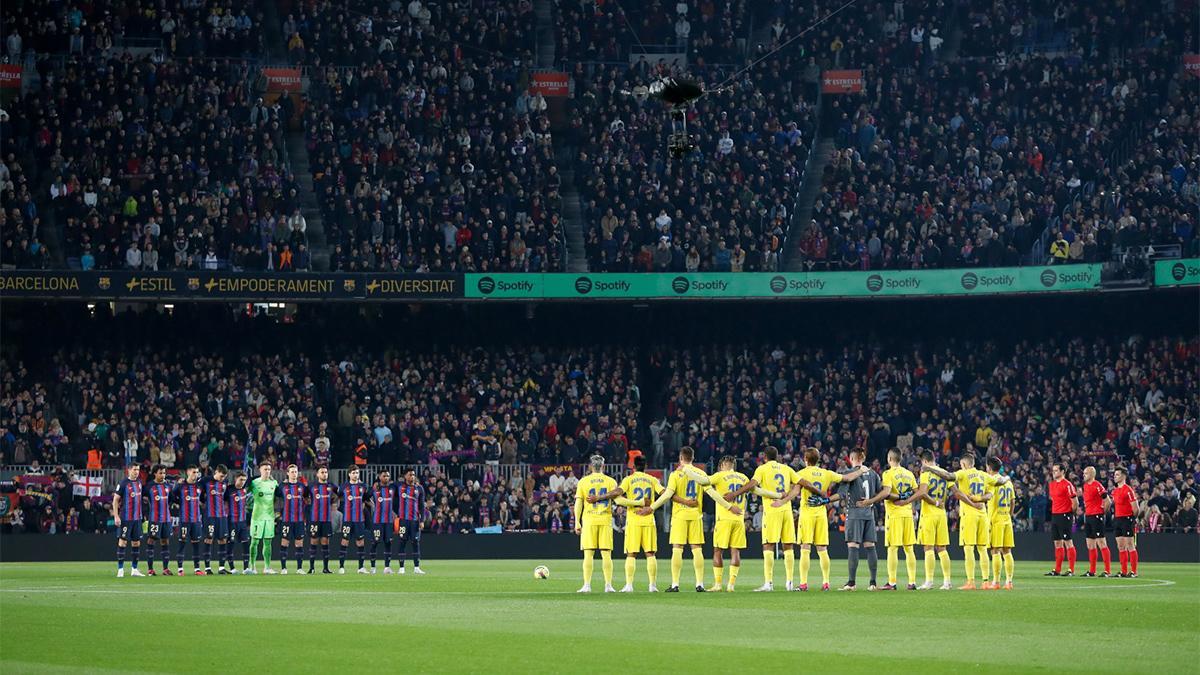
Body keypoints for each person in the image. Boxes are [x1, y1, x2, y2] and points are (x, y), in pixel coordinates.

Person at [783, 447, 865, 591]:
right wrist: (860, 471)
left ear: (806, 459)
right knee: (822, 549)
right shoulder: (826, 473)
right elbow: (847, 478)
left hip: (807, 513)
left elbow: (794, 490)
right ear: (818, 459)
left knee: (805, 548)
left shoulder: (801, 473)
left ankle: (803, 584)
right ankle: (826, 583)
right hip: (821, 514)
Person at [926, 454, 1007, 589]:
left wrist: (931, 469)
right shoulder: (983, 475)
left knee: (968, 548)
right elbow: (996, 487)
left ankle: (971, 582)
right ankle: (986, 581)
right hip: (983, 515)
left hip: (969, 515)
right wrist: (979, 498)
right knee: (982, 549)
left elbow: (948, 477)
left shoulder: (963, 473)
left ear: (963, 464)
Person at [725, 445, 790, 591]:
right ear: (777, 456)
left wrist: (735, 494)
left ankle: (769, 583)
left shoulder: (762, 469)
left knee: (768, 545)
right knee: (788, 546)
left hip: (772, 509)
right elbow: (800, 483)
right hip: (786, 509)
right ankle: (789, 582)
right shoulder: (786, 468)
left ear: (764, 457)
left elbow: (753, 485)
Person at [653, 447, 712, 592]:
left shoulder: (675, 474)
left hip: (679, 516)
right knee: (697, 549)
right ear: (693, 458)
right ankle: (700, 584)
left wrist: (652, 507)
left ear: (681, 458)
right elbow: (710, 493)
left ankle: (675, 584)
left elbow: (668, 495)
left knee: (677, 549)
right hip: (696, 515)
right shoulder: (701, 473)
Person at [831, 448, 883, 590]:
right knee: (870, 546)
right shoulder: (873, 474)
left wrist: (826, 500)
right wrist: (870, 501)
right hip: (869, 514)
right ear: (863, 458)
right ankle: (873, 583)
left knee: (853, 547)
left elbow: (841, 494)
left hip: (854, 513)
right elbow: (881, 491)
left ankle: (851, 583)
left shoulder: (849, 473)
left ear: (851, 458)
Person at [614, 455, 662, 592]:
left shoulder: (628, 479)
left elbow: (618, 499)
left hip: (633, 520)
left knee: (631, 554)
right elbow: (664, 493)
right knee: (650, 554)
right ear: (645, 467)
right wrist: (651, 506)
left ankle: (629, 585)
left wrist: (635, 503)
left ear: (633, 467)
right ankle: (652, 585)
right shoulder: (653, 480)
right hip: (649, 520)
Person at [574, 454, 621, 592]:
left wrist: (577, 522)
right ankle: (608, 585)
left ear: (590, 466)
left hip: (589, 520)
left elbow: (578, 502)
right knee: (606, 554)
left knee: (588, 554)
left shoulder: (583, 481)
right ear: (603, 466)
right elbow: (618, 501)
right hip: (605, 520)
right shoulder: (611, 481)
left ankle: (587, 585)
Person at [702, 456, 748, 591]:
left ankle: (718, 584)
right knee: (735, 551)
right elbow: (756, 489)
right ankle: (731, 585)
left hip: (724, 519)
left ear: (722, 465)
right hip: (739, 519)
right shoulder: (743, 477)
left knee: (717, 551)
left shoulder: (719, 475)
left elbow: (704, 481)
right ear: (734, 464)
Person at [880, 450, 919, 590]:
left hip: (894, 515)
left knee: (892, 548)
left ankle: (892, 582)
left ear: (889, 458)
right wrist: (907, 501)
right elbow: (917, 492)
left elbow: (887, 493)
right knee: (909, 549)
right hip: (908, 514)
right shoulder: (909, 474)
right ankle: (912, 582)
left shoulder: (888, 474)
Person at [916, 450, 954, 590]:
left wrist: (934, 502)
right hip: (941, 514)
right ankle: (947, 581)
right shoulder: (943, 472)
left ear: (925, 461)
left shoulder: (926, 473)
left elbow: (923, 493)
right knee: (942, 548)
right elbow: (954, 490)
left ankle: (929, 581)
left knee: (928, 548)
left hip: (929, 514)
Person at [985, 457, 1016, 589]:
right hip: (1006, 519)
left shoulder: (992, 482)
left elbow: (988, 497)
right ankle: (1009, 582)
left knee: (995, 551)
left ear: (989, 468)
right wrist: (1009, 515)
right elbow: (1013, 501)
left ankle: (996, 582)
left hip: (995, 520)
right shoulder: (1008, 483)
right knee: (1007, 551)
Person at [1045, 463, 1078, 576]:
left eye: (1056, 471)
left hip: (1065, 515)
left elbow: (1075, 502)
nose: (1054, 473)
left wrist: (1071, 514)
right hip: (1055, 515)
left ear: (1063, 472)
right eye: (1053, 471)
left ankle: (1071, 569)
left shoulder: (1068, 485)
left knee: (1068, 542)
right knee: (1057, 543)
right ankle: (1057, 569)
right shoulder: (1052, 484)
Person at [112, 464, 144, 577]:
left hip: (137, 518)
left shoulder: (139, 483)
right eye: (134, 469)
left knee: (136, 542)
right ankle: (120, 569)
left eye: (138, 470)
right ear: (129, 470)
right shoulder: (123, 483)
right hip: (126, 518)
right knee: (123, 541)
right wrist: (116, 516)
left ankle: (134, 569)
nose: (136, 472)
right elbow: (115, 500)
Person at [1080, 466, 1113, 577]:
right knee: (1090, 544)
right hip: (1088, 516)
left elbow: (1108, 500)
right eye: (1084, 473)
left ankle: (1107, 571)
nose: (1084, 475)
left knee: (1101, 543)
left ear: (1092, 474)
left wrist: (1103, 513)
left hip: (1097, 516)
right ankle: (1092, 571)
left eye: (1086, 473)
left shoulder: (1097, 485)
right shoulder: (1085, 486)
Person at [173, 464, 205, 575]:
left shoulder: (199, 486)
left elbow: (202, 499)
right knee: (182, 544)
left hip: (196, 520)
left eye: (197, 472)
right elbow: (173, 497)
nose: (195, 475)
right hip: (184, 520)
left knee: (196, 544)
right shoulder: (181, 486)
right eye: (193, 472)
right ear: (188, 472)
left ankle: (197, 569)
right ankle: (180, 569)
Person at [249, 461, 279, 574]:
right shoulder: (254, 483)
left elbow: (280, 495)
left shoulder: (274, 483)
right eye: (265, 469)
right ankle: (252, 567)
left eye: (269, 469)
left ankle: (267, 567)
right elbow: (244, 493)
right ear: (260, 470)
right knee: (254, 542)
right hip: (257, 517)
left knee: (268, 543)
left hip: (270, 517)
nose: (267, 471)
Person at [144, 464, 174, 575]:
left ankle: (165, 569)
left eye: (164, 473)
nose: (163, 475)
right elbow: (142, 498)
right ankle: (150, 569)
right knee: (151, 540)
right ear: (155, 473)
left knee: (165, 541)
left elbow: (171, 499)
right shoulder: (149, 486)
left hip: (166, 519)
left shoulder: (167, 486)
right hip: (154, 518)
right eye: (160, 473)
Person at [339, 466, 369, 574]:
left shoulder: (363, 486)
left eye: (357, 472)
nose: (355, 474)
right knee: (344, 541)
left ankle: (361, 567)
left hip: (359, 520)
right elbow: (337, 497)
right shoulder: (343, 486)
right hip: (347, 519)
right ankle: (341, 567)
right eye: (353, 472)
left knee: (360, 542)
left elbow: (366, 499)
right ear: (349, 474)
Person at [278, 464, 307, 574]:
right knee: (284, 543)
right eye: (292, 471)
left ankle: (299, 568)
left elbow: (307, 497)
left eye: (296, 471)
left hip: (299, 520)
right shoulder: (282, 486)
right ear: (288, 473)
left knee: (299, 544)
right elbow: (276, 496)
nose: (294, 473)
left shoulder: (302, 486)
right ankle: (283, 568)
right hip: (286, 520)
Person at [201, 465, 230, 575]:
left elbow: (226, 496)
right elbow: (197, 490)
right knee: (209, 539)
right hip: (210, 515)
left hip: (222, 516)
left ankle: (221, 568)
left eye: (224, 477)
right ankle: (207, 568)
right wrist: (202, 502)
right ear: (216, 472)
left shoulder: (224, 483)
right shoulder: (206, 480)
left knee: (222, 540)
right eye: (221, 476)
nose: (222, 479)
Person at [306, 466, 336, 574]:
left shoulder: (331, 486)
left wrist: (333, 502)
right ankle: (311, 568)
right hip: (315, 519)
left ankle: (325, 568)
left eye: (326, 472)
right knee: (313, 541)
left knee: (325, 542)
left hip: (326, 519)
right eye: (322, 472)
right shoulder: (311, 486)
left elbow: (340, 494)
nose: (324, 474)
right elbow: (305, 496)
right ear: (317, 474)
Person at [396, 469, 426, 574]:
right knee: (402, 542)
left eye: (413, 475)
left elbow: (422, 506)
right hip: (403, 520)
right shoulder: (399, 486)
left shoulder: (419, 488)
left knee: (415, 542)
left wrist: (422, 520)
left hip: (415, 520)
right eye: (410, 475)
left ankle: (417, 567)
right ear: (405, 476)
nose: (412, 476)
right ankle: (401, 568)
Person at [1111, 468, 1140, 577]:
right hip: (1118, 519)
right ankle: (1123, 571)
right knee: (1120, 546)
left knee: (1130, 545)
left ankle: (1133, 571)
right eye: (1115, 474)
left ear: (1123, 476)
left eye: (1117, 474)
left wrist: (1132, 519)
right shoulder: (1115, 491)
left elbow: (1136, 508)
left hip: (1127, 519)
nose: (1115, 476)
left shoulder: (1128, 490)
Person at [369, 470, 397, 573]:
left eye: (388, 476)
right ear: (379, 477)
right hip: (377, 521)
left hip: (388, 521)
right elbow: (365, 497)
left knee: (388, 543)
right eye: (384, 476)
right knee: (375, 543)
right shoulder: (374, 489)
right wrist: (372, 505)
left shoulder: (393, 488)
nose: (386, 478)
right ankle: (373, 568)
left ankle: (387, 567)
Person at [226, 471, 251, 574]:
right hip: (232, 522)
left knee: (246, 544)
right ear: (236, 478)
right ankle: (232, 568)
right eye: (241, 479)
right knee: (231, 544)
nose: (243, 482)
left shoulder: (244, 490)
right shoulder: (228, 490)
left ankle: (246, 568)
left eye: (244, 480)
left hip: (242, 522)